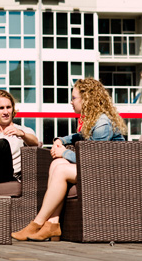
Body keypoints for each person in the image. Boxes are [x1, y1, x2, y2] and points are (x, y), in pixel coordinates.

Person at [11, 78, 127, 242]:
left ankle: (37, 222)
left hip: (110, 173)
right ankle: (52, 224)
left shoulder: (102, 124)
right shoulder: (93, 120)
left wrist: (64, 153)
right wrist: (61, 140)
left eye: (73, 98)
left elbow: (92, 158)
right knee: (57, 164)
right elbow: (78, 137)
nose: (71, 102)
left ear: (86, 99)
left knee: (61, 168)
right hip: (98, 168)